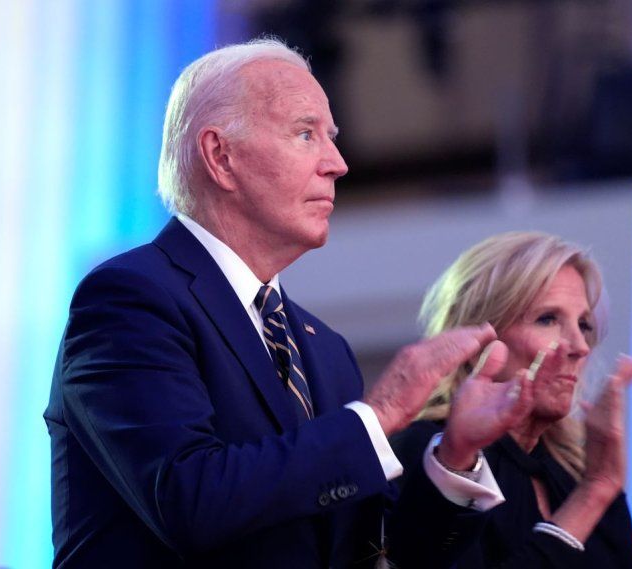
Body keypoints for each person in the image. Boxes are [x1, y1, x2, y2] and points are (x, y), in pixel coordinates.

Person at [44, 38, 532, 568]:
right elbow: (189, 501)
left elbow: (372, 551)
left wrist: (454, 454)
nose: (339, 164)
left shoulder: (327, 350)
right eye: (305, 134)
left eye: (332, 138)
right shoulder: (130, 298)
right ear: (220, 156)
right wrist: (382, 411)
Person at [391, 231, 632, 568]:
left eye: (583, 324)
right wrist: (593, 494)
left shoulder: (575, 466)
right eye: (548, 319)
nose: (580, 346)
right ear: (477, 338)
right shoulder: (433, 455)